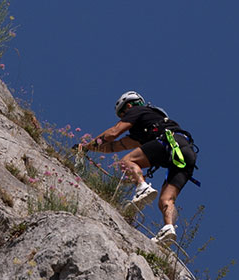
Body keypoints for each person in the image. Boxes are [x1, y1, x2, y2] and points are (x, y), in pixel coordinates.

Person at [77, 91, 198, 246]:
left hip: (168, 143)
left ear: (128, 106)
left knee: (126, 161)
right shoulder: (147, 127)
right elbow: (114, 146)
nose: (123, 119)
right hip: (187, 153)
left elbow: (113, 134)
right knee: (166, 200)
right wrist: (88, 148)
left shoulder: (137, 111)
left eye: (122, 115)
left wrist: (87, 146)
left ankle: (142, 188)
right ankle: (168, 229)